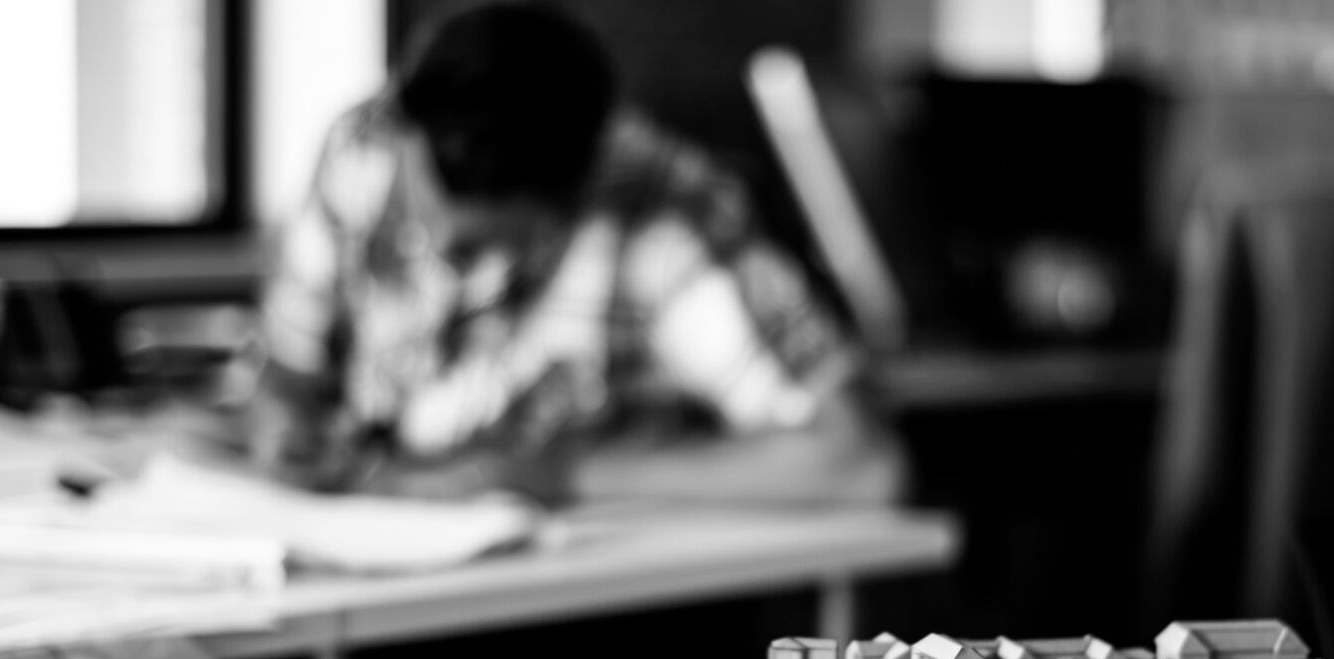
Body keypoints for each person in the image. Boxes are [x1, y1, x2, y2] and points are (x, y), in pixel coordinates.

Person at [249, 2, 899, 505]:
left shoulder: (665, 212)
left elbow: (859, 464)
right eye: (417, 214)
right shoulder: (365, 145)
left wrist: (555, 476)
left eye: (481, 243)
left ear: (577, 193)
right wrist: (282, 417)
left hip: (586, 626)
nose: (438, 253)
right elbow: (289, 375)